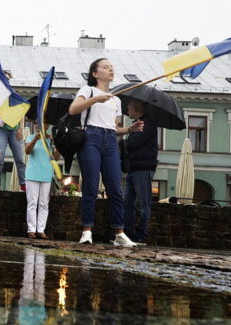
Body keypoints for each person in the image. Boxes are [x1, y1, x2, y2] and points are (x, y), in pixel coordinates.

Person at [68, 58, 142, 247]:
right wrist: (94, 99)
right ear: (95, 73)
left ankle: (119, 233)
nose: (110, 69)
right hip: (90, 138)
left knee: (116, 188)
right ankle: (86, 231)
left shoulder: (116, 99)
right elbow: (73, 109)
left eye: (111, 67)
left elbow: (113, 128)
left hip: (110, 141)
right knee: (91, 186)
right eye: (105, 67)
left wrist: (129, 130)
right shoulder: (88, 91)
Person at [123, 99, 157, 244]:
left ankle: (142, 235)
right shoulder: (139, 124)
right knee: (127, 203)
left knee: (143, 203)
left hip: (143, 168)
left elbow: (133, 143)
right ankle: (128, 234)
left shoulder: (146, 123)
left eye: (129, 108)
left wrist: (122, 143)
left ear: (136, 109)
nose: (127, 111)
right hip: (134, 168)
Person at [0, 72, 25, 192]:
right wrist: (0, 120)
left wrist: (20, 128)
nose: (6, 82)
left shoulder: (12, 94)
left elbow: (20, 111)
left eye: (8, 80)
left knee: (20, 158)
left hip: (13, 130)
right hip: (0, 130)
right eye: (4, 79)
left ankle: (23, 183)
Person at [24, 126, 60, 239]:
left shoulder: (50, 140)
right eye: (36, 124)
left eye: (41, 123)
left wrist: (56, 144)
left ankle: (40, 229)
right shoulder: (30, 137)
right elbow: (27, 151)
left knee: (44, 203)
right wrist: (35, 138)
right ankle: (31, 230)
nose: (38, 126)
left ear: (47, 126)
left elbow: (56, 158)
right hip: (32, 174)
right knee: (32, 202)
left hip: (46, 174)